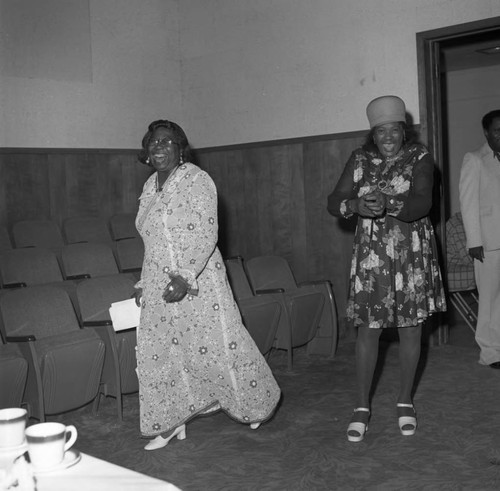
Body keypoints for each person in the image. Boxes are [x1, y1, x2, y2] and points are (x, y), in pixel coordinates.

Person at [133, 119, 281, 450]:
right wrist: (144, 281)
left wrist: (185, 276)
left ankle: (256, 404)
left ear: (180, 148)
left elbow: (206, 232)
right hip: (159, 281)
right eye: (153, 142)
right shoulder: (148, 187)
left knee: (219, 345)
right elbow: (152, 241)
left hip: (197, 278)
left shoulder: (197, 180)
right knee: (161, 353)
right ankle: (172, 422)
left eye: (167, 142)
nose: (159, 147)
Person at [327, 95, 446, 442]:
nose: (388, 137)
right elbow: (334, 201)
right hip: (373, 256)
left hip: (411, 252)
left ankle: (405, 401)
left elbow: (422, 202)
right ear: (373, 135)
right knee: (369, 330)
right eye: (381, 132)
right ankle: (362, 407)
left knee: (410, 328)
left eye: (394, 130)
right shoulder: (359, 158)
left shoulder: (420, 157)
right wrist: (355, 205)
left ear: (403, 131)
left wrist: (389, 202)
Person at [459, 109, 500, 369]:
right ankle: (490, 353)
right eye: (498, 130)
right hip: (488, 243)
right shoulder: (474, 159)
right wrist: (474, 241)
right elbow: (468, 202)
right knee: (489, 299)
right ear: (486, 132)